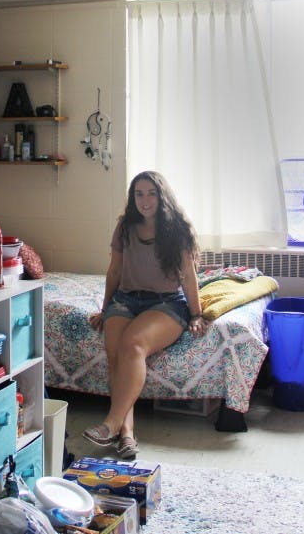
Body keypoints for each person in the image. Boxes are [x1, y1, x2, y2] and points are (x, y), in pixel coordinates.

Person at [83, 170, 206, 459]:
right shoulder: (125, 227)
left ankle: (111, 423)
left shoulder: (177, 230)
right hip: (126, 299)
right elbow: (114, 270)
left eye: (151, 193)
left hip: (166, 303)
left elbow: (188, 276)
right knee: (116, 356)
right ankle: (126, 434)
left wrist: (196, 314)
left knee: (133, 344)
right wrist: (105, 308)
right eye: (139, 194)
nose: (145, 200)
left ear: (161, 196)